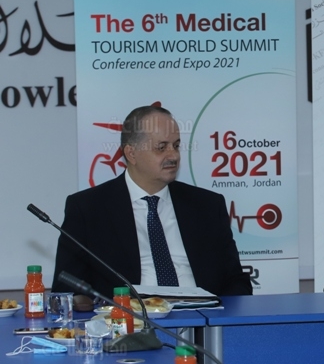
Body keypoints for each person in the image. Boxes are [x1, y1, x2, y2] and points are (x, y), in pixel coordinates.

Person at [52, 105, 252, 297]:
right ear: (131, 153)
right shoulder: (88, 208)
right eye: (161, 148)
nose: (173, 155)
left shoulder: (207, 206)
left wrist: (216, 312)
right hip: (129, 318)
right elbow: (66, 287)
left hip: (201, 316)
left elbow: (237, 281)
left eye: (176, 146)